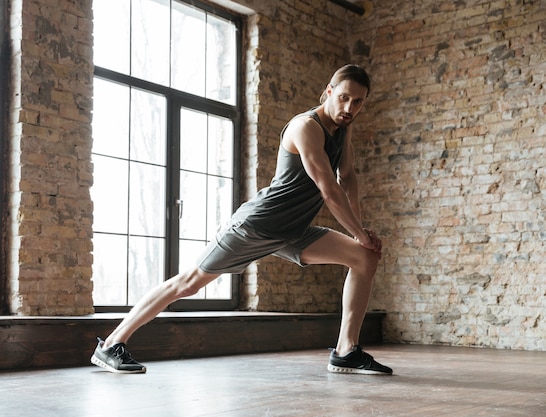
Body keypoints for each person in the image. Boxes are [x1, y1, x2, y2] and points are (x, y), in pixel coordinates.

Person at [90, 64, 392, 376]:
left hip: (293, 231)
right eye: (343, 98)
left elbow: (348, 177)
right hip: (257, 225)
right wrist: (359, 231)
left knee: (364, 258)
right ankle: (111, 344)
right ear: (329, 91)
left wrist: (360, 235)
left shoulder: (343, 127)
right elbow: (328, 189)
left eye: (358, 102)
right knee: (188, 283)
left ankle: (345, 351)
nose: (349, 108)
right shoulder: (306, 127)